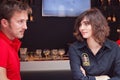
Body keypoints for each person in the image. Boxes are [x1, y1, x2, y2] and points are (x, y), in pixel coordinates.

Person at [68, 8, 120, 80]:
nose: (81, 28)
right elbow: (78, 78)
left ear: (97, 25)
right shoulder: (75, 48)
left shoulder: (114, 47)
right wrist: (101, 78)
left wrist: (87, 78)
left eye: (86, 24)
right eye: (80, 25)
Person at [0, 0, 32, 80]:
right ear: (4, 23)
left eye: (25, 21)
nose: (25, 27)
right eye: (20, 21)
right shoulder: (1, 44)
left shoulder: (10, 43)